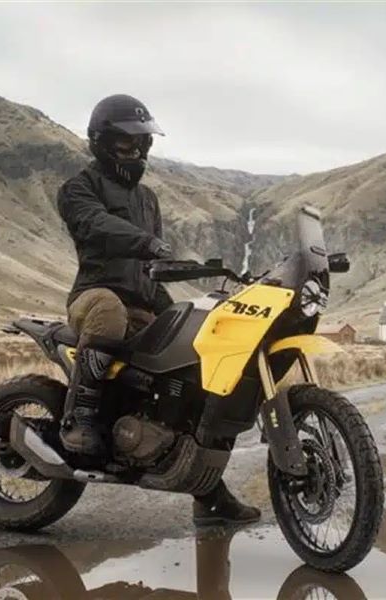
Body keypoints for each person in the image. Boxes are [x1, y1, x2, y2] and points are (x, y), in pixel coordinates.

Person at [55, 94, 260, 526]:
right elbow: (94, 224)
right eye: (128, 144)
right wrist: (145, 242)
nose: (137, 152)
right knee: (109, 311)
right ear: (103, 142)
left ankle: (209, 495)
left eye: (143, 144)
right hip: (94, 298)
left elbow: (155, 266)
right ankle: (80, 420)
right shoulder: (78, 188)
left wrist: (181, 309)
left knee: (195, 366)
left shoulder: (148, 198)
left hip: (144, 303)